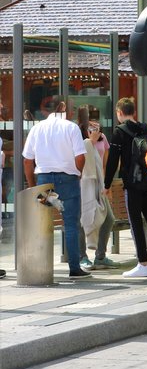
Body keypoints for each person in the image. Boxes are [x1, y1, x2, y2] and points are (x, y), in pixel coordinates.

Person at [21, 96, 90, 278]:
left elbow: (28, 160)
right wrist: (77, 172)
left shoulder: (37, 128)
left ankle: (39, 267)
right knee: (71, 224)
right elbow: (81, 157)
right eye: (71, 109)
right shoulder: (71, 128)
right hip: (68, 180)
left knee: (42, 223)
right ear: (62, 107)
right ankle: (74, 268)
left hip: (44, 181)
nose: (72, 113)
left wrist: (32, 186)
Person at [105, 97, 147, 278]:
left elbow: (113, 161)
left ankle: (142, 263)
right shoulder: (146, 128)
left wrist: (106, 184)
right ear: (134, 112)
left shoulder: (119, 132)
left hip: (132, 184)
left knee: (136, 223)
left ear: (119, 113)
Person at [76, 108, 117, 268]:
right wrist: (90, 141)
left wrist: (107, 185)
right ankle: (82, 256)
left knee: (109, 218)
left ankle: (100, 256)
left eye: (94, 119)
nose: (93, 124)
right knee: (81, 219)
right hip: (83, 183)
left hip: (99, 182)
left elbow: (105, 162)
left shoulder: (102, 138)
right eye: (89, 120)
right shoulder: (78, 137)